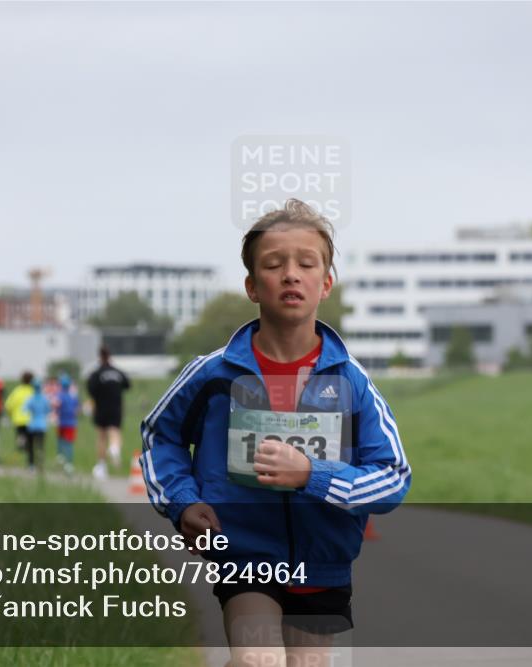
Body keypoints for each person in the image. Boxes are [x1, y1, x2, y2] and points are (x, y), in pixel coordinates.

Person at [141, 199, 411, 664]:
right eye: (274, 264)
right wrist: (182, 502)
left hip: (322, 565)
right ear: (252, 286)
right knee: (258, 661)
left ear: (325, 283)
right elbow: (157, 437)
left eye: (306, 264)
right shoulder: (213, 375)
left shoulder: (351, 380)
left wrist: (313, 475)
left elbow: (392, 477)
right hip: (243, 557)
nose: (291, 274)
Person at [86, 347, 131, 479]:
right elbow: (127, 385)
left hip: (101, 408)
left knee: (101, 436)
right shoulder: (118, 372)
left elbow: (91, 390)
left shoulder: (96, 374)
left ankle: (101, 466)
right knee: (115, 431)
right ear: (110, 356)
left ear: (100, 357)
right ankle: (114, 449)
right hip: (116, 407)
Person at [23, 379, 52, 471]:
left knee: (31, 447)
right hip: (42, 425)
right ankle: (40, 465)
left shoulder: (30, 398)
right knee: (40, 447)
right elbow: (48, 410)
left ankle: (31, 465)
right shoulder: (45, 399)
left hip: (32, 425)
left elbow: (25, 409)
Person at [4, 372, 35, 458]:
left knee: (21, 434)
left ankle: (21, 444)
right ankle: (28, 450)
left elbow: (8, 405)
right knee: (30, 439)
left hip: (18, 419)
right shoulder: (33, 391)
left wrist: (11, 414)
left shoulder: (17, 391)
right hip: (31, 419)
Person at [55, 374, 79, 474]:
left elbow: (56, 404)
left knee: (61, 440)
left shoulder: (60, 395)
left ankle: (61, 456)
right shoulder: (73, 396)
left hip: (62, 422)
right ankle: (69, 463)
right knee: (69, 443)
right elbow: (77, 410)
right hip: (71, 422)